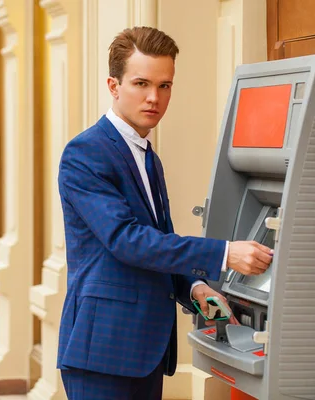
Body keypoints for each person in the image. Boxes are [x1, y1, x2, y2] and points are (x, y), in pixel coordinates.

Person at [57, 26, 273, 400]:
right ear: (113, 85)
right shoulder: (85, 153)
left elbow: (160, 241)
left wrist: (194, 285)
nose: (154, 98)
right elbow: (128, 241)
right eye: (141, 83)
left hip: (145, 348)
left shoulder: (148, 158)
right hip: (104, 349)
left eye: (165, 86)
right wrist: (224, 253)